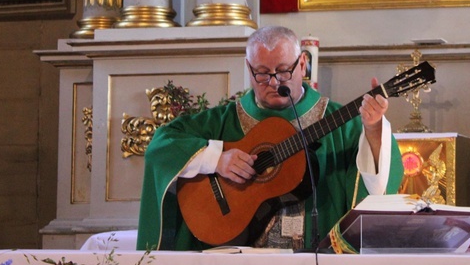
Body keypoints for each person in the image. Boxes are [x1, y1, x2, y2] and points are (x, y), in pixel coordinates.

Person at [137, 26, 404, 251]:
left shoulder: (337, 121)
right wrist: (216, 159)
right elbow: (161, 146)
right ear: (248, 68)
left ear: (302, 64)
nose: (274, 82)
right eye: (262, 73)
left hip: (315, 264)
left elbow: (378, 186)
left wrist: (372, 129)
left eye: (284, 70)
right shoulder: (223, 122)